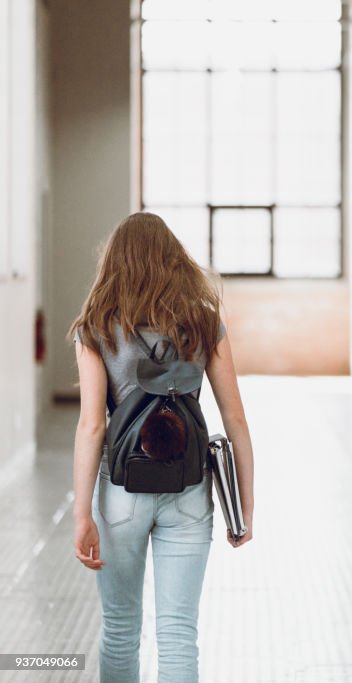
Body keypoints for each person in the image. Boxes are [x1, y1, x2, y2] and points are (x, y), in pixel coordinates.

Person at [70, 212, 255, 683]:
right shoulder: (203, 322)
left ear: (115, 262)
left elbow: (92, 426)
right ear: (175, 260)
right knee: (177, 634)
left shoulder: (96, 326)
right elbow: (234, 418)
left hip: (121, 493)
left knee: (119, 629)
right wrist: (244, 506)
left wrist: (82, 516)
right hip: (190, 488)